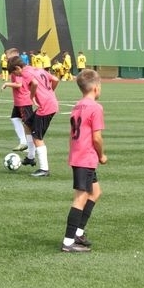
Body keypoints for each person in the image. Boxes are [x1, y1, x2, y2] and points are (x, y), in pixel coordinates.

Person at [62, 69, 107, 253]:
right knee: (80, 198)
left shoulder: (77, 106)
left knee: (95, 192)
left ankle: (78, 233)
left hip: (79, 155)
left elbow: (71, 134)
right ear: (96, 88)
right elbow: (97, 138)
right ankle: (68, 242)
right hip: (85, 157)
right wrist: (102, 155)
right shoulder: (96, 108)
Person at [13, 54, 61, 177]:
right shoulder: (37, 69)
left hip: (45, 107)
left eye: (14, 72)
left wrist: (32, 96)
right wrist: (49, 92)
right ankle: (30, 157)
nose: (16, 75)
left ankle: (44, 169)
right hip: (50, 103)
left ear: (18, 68)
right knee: (27, 124)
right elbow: (56, 79)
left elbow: (34, 83)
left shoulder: (25, 73)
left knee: (37, 137)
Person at [0, 48, 36, 157]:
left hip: (23, 100)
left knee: (27, 124)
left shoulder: (16, 70)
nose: (6, 59)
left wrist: (6, 84)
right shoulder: (16, 68)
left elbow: (19, 84)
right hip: (19, 101)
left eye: (7, 57)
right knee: (15, 119)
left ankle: (31, 146)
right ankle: (24, 142)